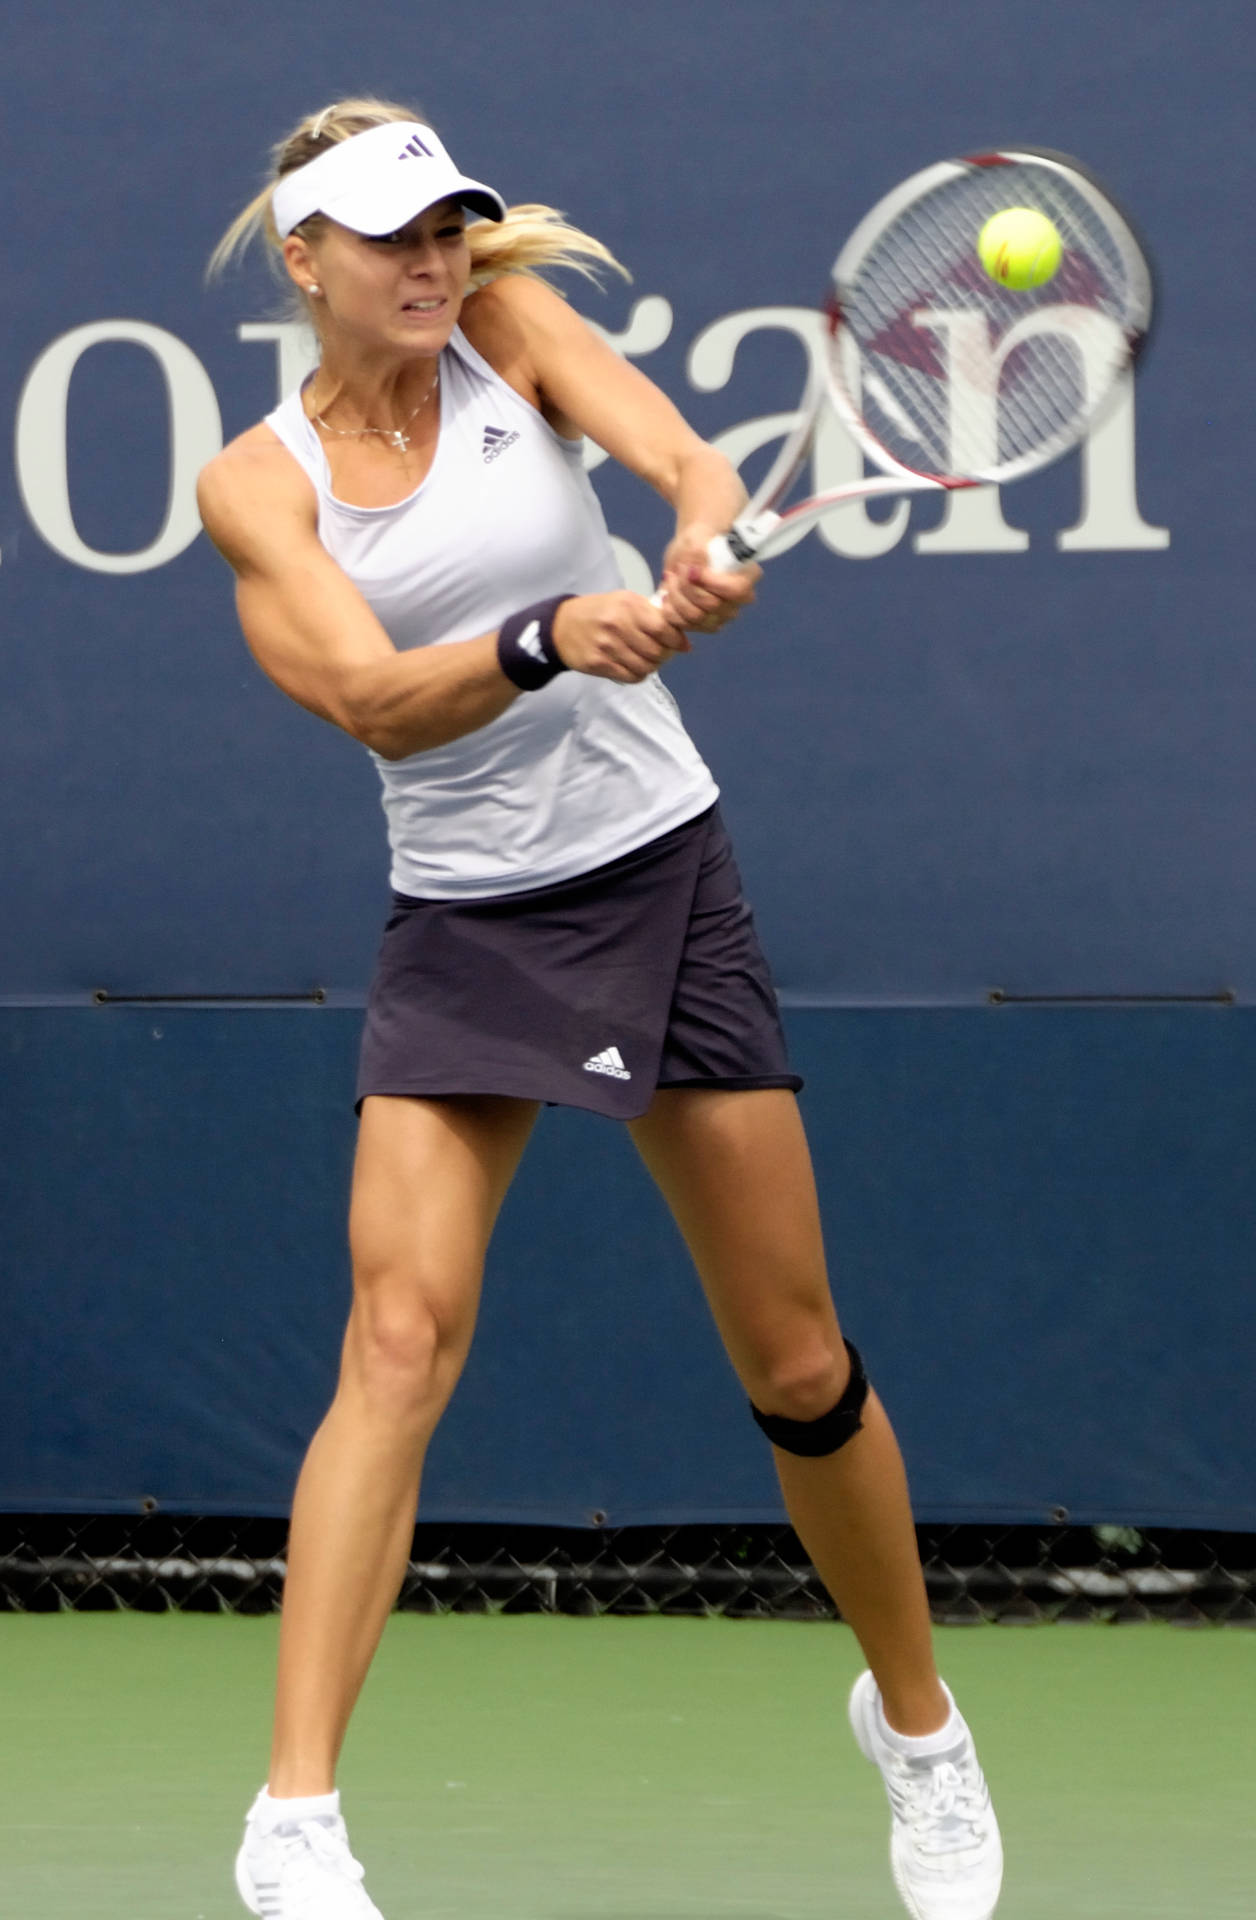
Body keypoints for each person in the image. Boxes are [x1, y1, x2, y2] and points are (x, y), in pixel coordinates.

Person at [198, 97, 1003, 1920]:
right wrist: (549, 634)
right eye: (390, 237)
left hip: (659, 873)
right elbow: (382, 705)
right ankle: (294, 1822)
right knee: (394, 1345)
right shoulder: (256, 486)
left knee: (795, 1363)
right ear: (302, 256)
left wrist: (704, 543)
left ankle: (920, 1727)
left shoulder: (508, 328)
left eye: (449, 228)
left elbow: (688, 467)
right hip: (468, 919)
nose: (430, 262)